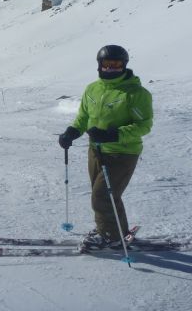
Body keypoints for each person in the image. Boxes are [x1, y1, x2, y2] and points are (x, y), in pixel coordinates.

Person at [58, 45, 153, 249]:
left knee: (101, 196)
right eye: (107, 64)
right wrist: (72, 132)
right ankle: (112, 228)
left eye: (116, 64)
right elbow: (83, 117)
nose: (111, 68)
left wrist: (114, 134)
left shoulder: (136, 93)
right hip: (96, 151)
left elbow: (144, 125)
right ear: (99, 65)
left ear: (124, 65)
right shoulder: (93, 88)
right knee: (107, 195)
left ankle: (110, 237)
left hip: (123, 152)